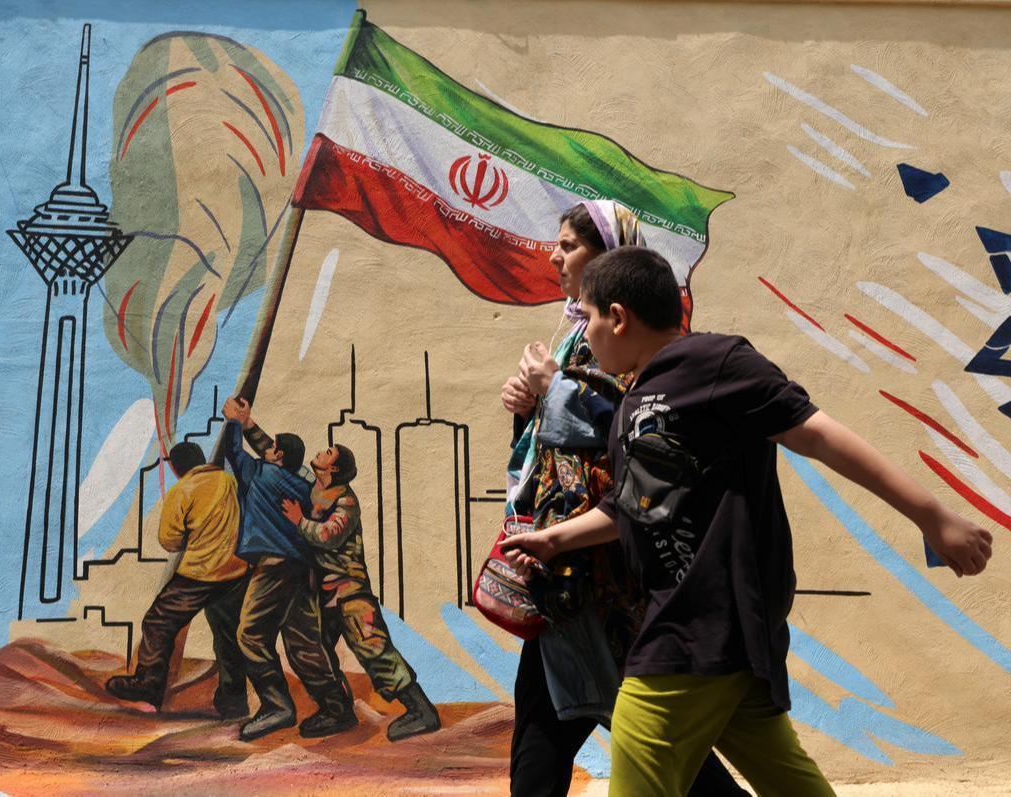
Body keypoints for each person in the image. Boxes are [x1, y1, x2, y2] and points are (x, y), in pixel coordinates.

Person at [501, 246, 994, 796]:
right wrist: (554, 539)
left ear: (618, 317)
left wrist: (933, 517)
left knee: (638, 739)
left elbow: (815, 433)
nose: (584, 334)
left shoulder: (714, 361)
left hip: (702, 616)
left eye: (588, 317)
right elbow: (633, 506)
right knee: (787, 780)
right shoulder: (633, 403)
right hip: (707, 627)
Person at [500, 204, 744, 796]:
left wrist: (553, 389)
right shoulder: (575, 336)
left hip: (607, 575)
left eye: (568, 246)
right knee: (550, 735)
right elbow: (559, 453)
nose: (554, 257)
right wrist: (530, 408)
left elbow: (630, 428)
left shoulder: (633, 343)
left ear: (607, 255)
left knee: (640, 738)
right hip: (566, 574)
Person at [281, 444, 440, 742]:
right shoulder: (313, 487)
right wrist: (245, 424)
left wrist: (299, 521)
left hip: (349, 592)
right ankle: (337, 711)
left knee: (374, 649)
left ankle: (421, 710)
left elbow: (329, 535)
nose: (321, 452)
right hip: (323, 594)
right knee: (313, 651)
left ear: (334, 468)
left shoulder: (346, 501)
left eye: (329, 452)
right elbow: (275, 450)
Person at [221, 397, 353, 741]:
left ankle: (277, 706)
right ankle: (337, 708)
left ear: (277, 456)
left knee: (250, 635)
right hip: (302, 572)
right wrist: (249, 422)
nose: (267, 449)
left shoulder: (260, 474)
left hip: (273, 568)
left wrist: (234, 422)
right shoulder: (307, 488)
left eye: (272, 448)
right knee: (305, 643)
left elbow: (234, 452)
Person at [105, 441, 251, 718]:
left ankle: (148, 685)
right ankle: (234, 701)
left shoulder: (182, 490)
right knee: (228, 634)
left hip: (200, 573)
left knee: (158, 622)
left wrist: (193, 536)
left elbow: (169, 540)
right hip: (235, 571)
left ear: (175, 468)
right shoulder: (228, 481)